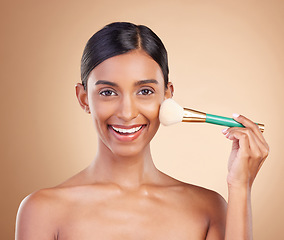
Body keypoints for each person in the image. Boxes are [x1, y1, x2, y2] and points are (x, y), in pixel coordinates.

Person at [15, 22, 269, 240]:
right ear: (83, 99)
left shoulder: (209, 209)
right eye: (108, 92)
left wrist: (240, 187)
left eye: (145, 91)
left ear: (168, 96)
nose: (127, 113)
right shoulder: (42, 210)